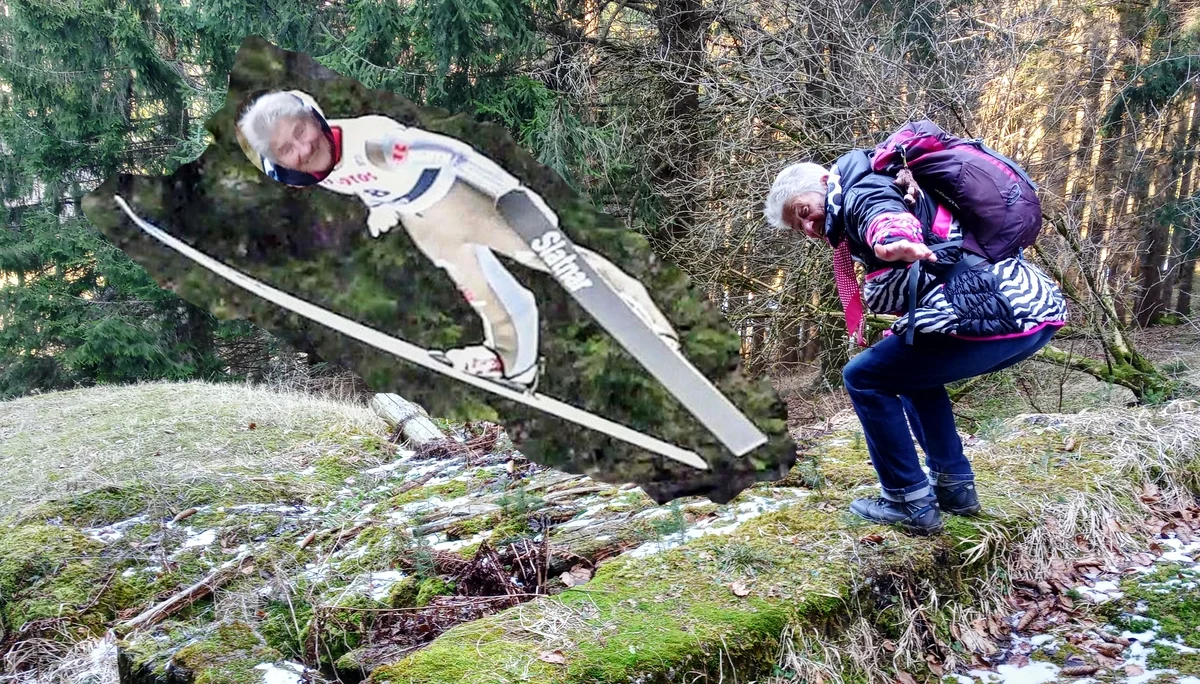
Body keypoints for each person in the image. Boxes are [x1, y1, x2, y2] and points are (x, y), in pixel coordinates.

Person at [235, 89, 679, 391]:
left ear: (315, 118)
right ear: (279, 164)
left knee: (558, 260)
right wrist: (381, 206)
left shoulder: (374, 141)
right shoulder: (320, 173)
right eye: (287, 150)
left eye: (300, 132)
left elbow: (452, 152)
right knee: (482, 293)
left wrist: (509, 194)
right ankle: (514, 363)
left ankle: (649, 325)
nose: (302, 148)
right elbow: (365, 182)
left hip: (466, 202)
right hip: (425, 222)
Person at [763, 151, 1067, 534]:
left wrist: (894, 241)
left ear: (824, 184)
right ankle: (954, 488)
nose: (808, 227)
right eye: (798, 226)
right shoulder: (865, 189)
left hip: (995, 309)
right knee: (906, 374)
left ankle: (907, 501)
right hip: (1023, 309)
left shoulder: (859, 189)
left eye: (803, 211)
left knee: (863, 376)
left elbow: (883, 214)